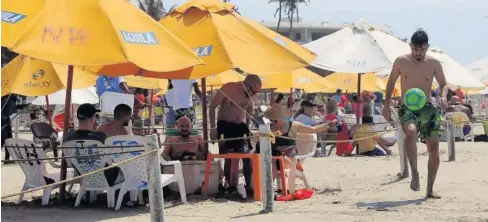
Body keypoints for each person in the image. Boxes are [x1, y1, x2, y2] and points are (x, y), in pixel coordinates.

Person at [383, 29, 448, 198]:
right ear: (410, 46)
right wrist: (385, 103)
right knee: (410, 131)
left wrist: (442, 96)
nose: (418, 53)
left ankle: (429, 189)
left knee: (433, 149)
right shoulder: (401, 61)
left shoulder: (434, 63)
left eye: (422, 50)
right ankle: (414, 172)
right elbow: (390, 82)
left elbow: (443, 84)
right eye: (415, 49)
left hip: (427, 108)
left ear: (427, 47)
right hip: (408, 107)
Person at [209, 74, 262, 191]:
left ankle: (249, 186)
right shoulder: (228, 88)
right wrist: (212, 128)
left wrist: (247, 125)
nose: (253, 95)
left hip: (240, 127)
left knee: (247, 155)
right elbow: (212, 106)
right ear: (247, 86)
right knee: (228, 155)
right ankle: (229, 184)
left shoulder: (249, 95)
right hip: (225, 125)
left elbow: (250, 107)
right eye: (253, 92)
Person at [262, 104, 337, 168]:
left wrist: (329, 124)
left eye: (275, 120)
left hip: (288, 158)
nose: (273, 123)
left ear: (283, 118)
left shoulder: (294, 125)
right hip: (271, 157)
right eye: (270, 120)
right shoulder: (268, 127)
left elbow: (313, 129)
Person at [66, 103, 124, 187]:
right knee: (128, 171)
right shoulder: (99, 137)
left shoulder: (68, 137)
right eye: (95, 116)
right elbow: (112, 157)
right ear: (92, 119)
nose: (96, 120)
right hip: (107, 178)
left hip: (83, 176)